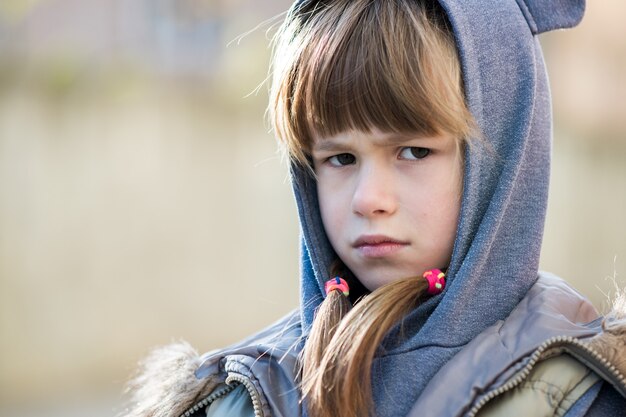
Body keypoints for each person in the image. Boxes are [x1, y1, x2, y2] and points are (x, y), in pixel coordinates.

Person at [123, 0, 626, 416]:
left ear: (504, 155)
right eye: (340, 158)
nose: (369, 199)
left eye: (413, 152)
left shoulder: (592, 393)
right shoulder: (238, 395)